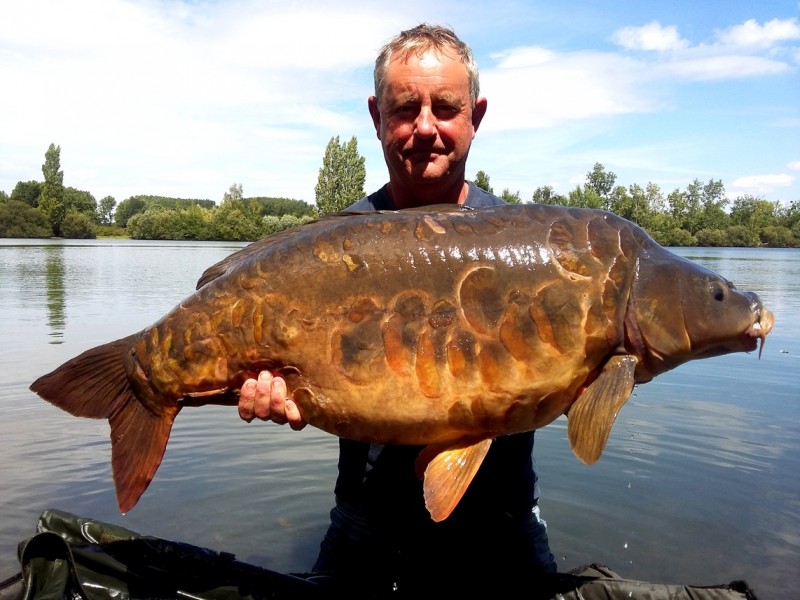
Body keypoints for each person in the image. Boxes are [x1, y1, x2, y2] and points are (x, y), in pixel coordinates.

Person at [238, 23, 557, 595]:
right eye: (406, 108)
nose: (426, 128)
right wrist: (264, 385)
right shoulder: (333, 247)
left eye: (447, 108)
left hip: (503, 529)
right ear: (377, 116)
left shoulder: (526, 247)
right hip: (367, 527)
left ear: (476, 116)